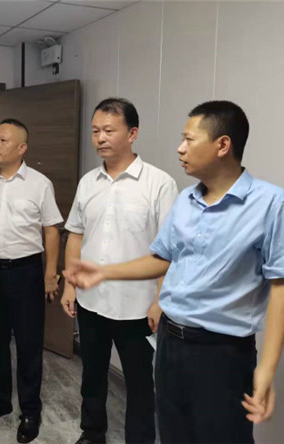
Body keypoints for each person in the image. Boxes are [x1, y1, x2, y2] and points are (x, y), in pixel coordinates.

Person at [64, 100, 284, 443]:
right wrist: (104, 272)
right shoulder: (187, 199)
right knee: (174, 433)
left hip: (223, 352)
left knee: (222, 436)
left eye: (189, 139)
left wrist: (266, 368)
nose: (180, 148)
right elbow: (162, 258)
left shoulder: (271, 203)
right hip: (171, 343)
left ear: (222, 145)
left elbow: (283, 286)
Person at [61, 98, 178, 444]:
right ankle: (92, 433)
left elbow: (169, 250)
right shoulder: (88, 182)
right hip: (91, 301)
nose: (100, 138)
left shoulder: (159, 183)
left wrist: (160, 300)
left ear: (132, 133)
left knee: (140, 384)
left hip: (138, 306)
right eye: (95, 131)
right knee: (92, 375)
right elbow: (75, 234)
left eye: (109, 130)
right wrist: (70, 285)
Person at [0, 118, 63, 443]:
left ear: (22, 148)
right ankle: (0, 402)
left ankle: (30, 410)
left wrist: (50, 273)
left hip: (26, 272)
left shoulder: (39, 184)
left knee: (29, 343)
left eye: (3, 140)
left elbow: (51, 230)